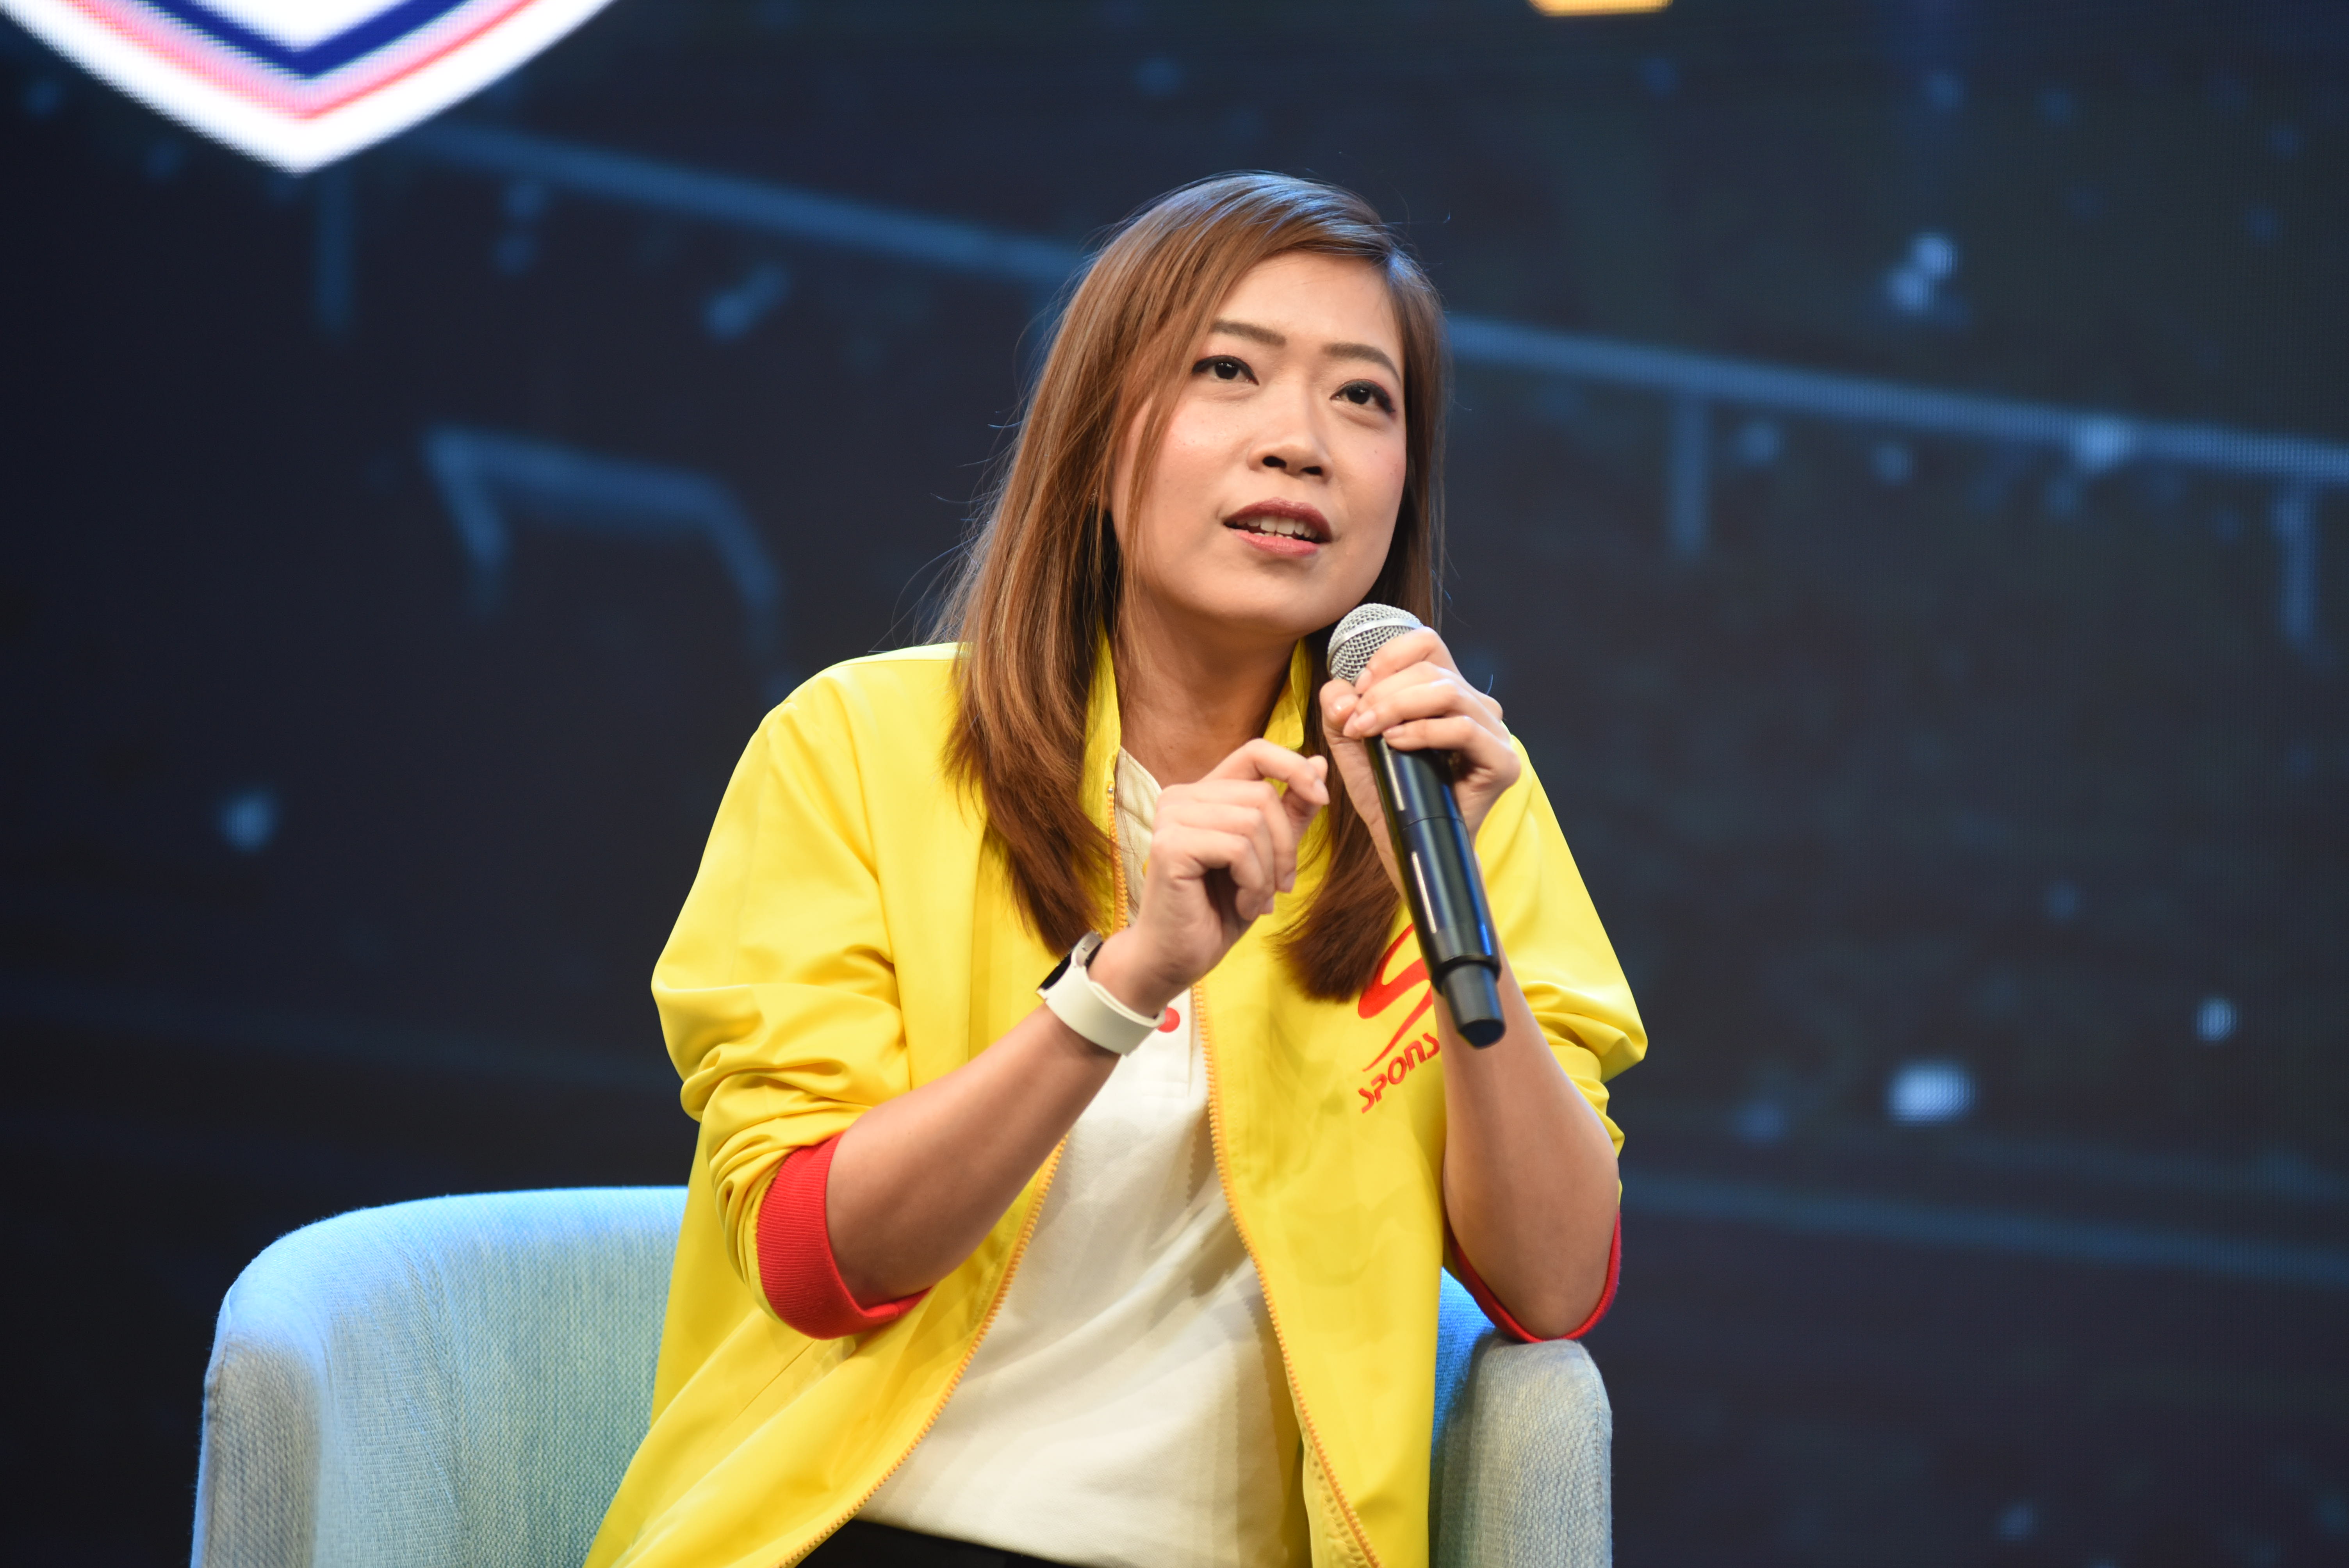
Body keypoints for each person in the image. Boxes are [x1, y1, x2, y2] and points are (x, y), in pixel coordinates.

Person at [585, 172, 1645, 1568]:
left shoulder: (1455, 790)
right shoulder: (857, 745)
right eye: (1228, 371)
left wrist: (1459, 931)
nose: (1301, 444)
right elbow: (817, 1259)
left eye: (1363, 398)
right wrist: (1124, 983)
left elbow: (1554, 1288)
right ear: (1096, 440)